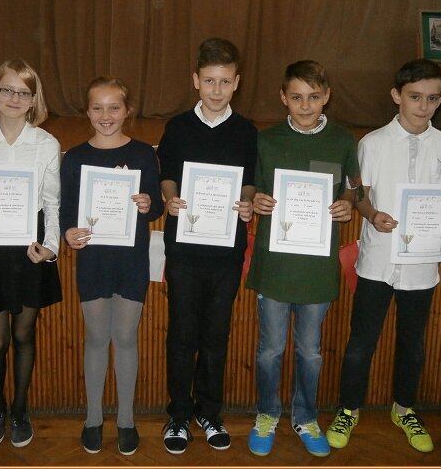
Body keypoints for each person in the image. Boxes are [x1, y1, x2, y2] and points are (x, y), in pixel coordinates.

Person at [325, 58, 441, 453]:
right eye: (415, 97)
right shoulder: (371, 143)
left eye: (432, 98)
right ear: (396, 96)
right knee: (361, 342)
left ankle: (404, 409)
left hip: (422, 265)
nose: (423, 106)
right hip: (378, 262)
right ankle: (348, 409)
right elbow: (359, 195)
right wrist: (372, 215)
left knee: (412, 343)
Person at [245, 60, 360, 457]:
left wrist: (347, 203)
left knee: (310, 351)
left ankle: (306, 417)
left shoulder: (343, 141)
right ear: (283, 98)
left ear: (326, 96)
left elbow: (353, 187)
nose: (305, 105)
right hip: (276, 265)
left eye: (313, 97)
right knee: (270, 350)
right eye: (296, 97)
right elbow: (254, 188)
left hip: (316, 267)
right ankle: (266, 414)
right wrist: (257, 201)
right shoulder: (267, 141)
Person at [156, 37, 257, 454]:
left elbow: (248, 180)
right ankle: (179, 415)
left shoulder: (246, 131)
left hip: (226, 251)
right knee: (182, 335)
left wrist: (247, 202)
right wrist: (169, 198)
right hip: (184, 250)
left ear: (237, 83)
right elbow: (167, 174)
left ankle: (209, 412)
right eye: (210, 80)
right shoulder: (177, 127)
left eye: (225, 81)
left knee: (216, 336)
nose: (217, 90)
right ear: (196, 80)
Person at [0, 59, 62, 449]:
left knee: (23, 334)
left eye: (23, 92)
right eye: (7, 89)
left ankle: (19, 409)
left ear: (34, 99)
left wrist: (51, 246)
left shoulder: (46, 144)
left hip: (29, 249)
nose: (14, 98)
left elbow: (52, 203)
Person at [60, 77, 164, 456]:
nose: (106, 115)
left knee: (125, 337)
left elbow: (156, 206)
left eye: (114, 107)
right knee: (96, 337)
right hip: (93, 260)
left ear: (127, 111)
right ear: (87, 111)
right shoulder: (74, 157)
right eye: (98, 107)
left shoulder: (142, 154)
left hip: (130, 260)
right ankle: (92, 418)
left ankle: (125, 419)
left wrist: (147, 204)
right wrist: (68, 232)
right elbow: (67, 209)